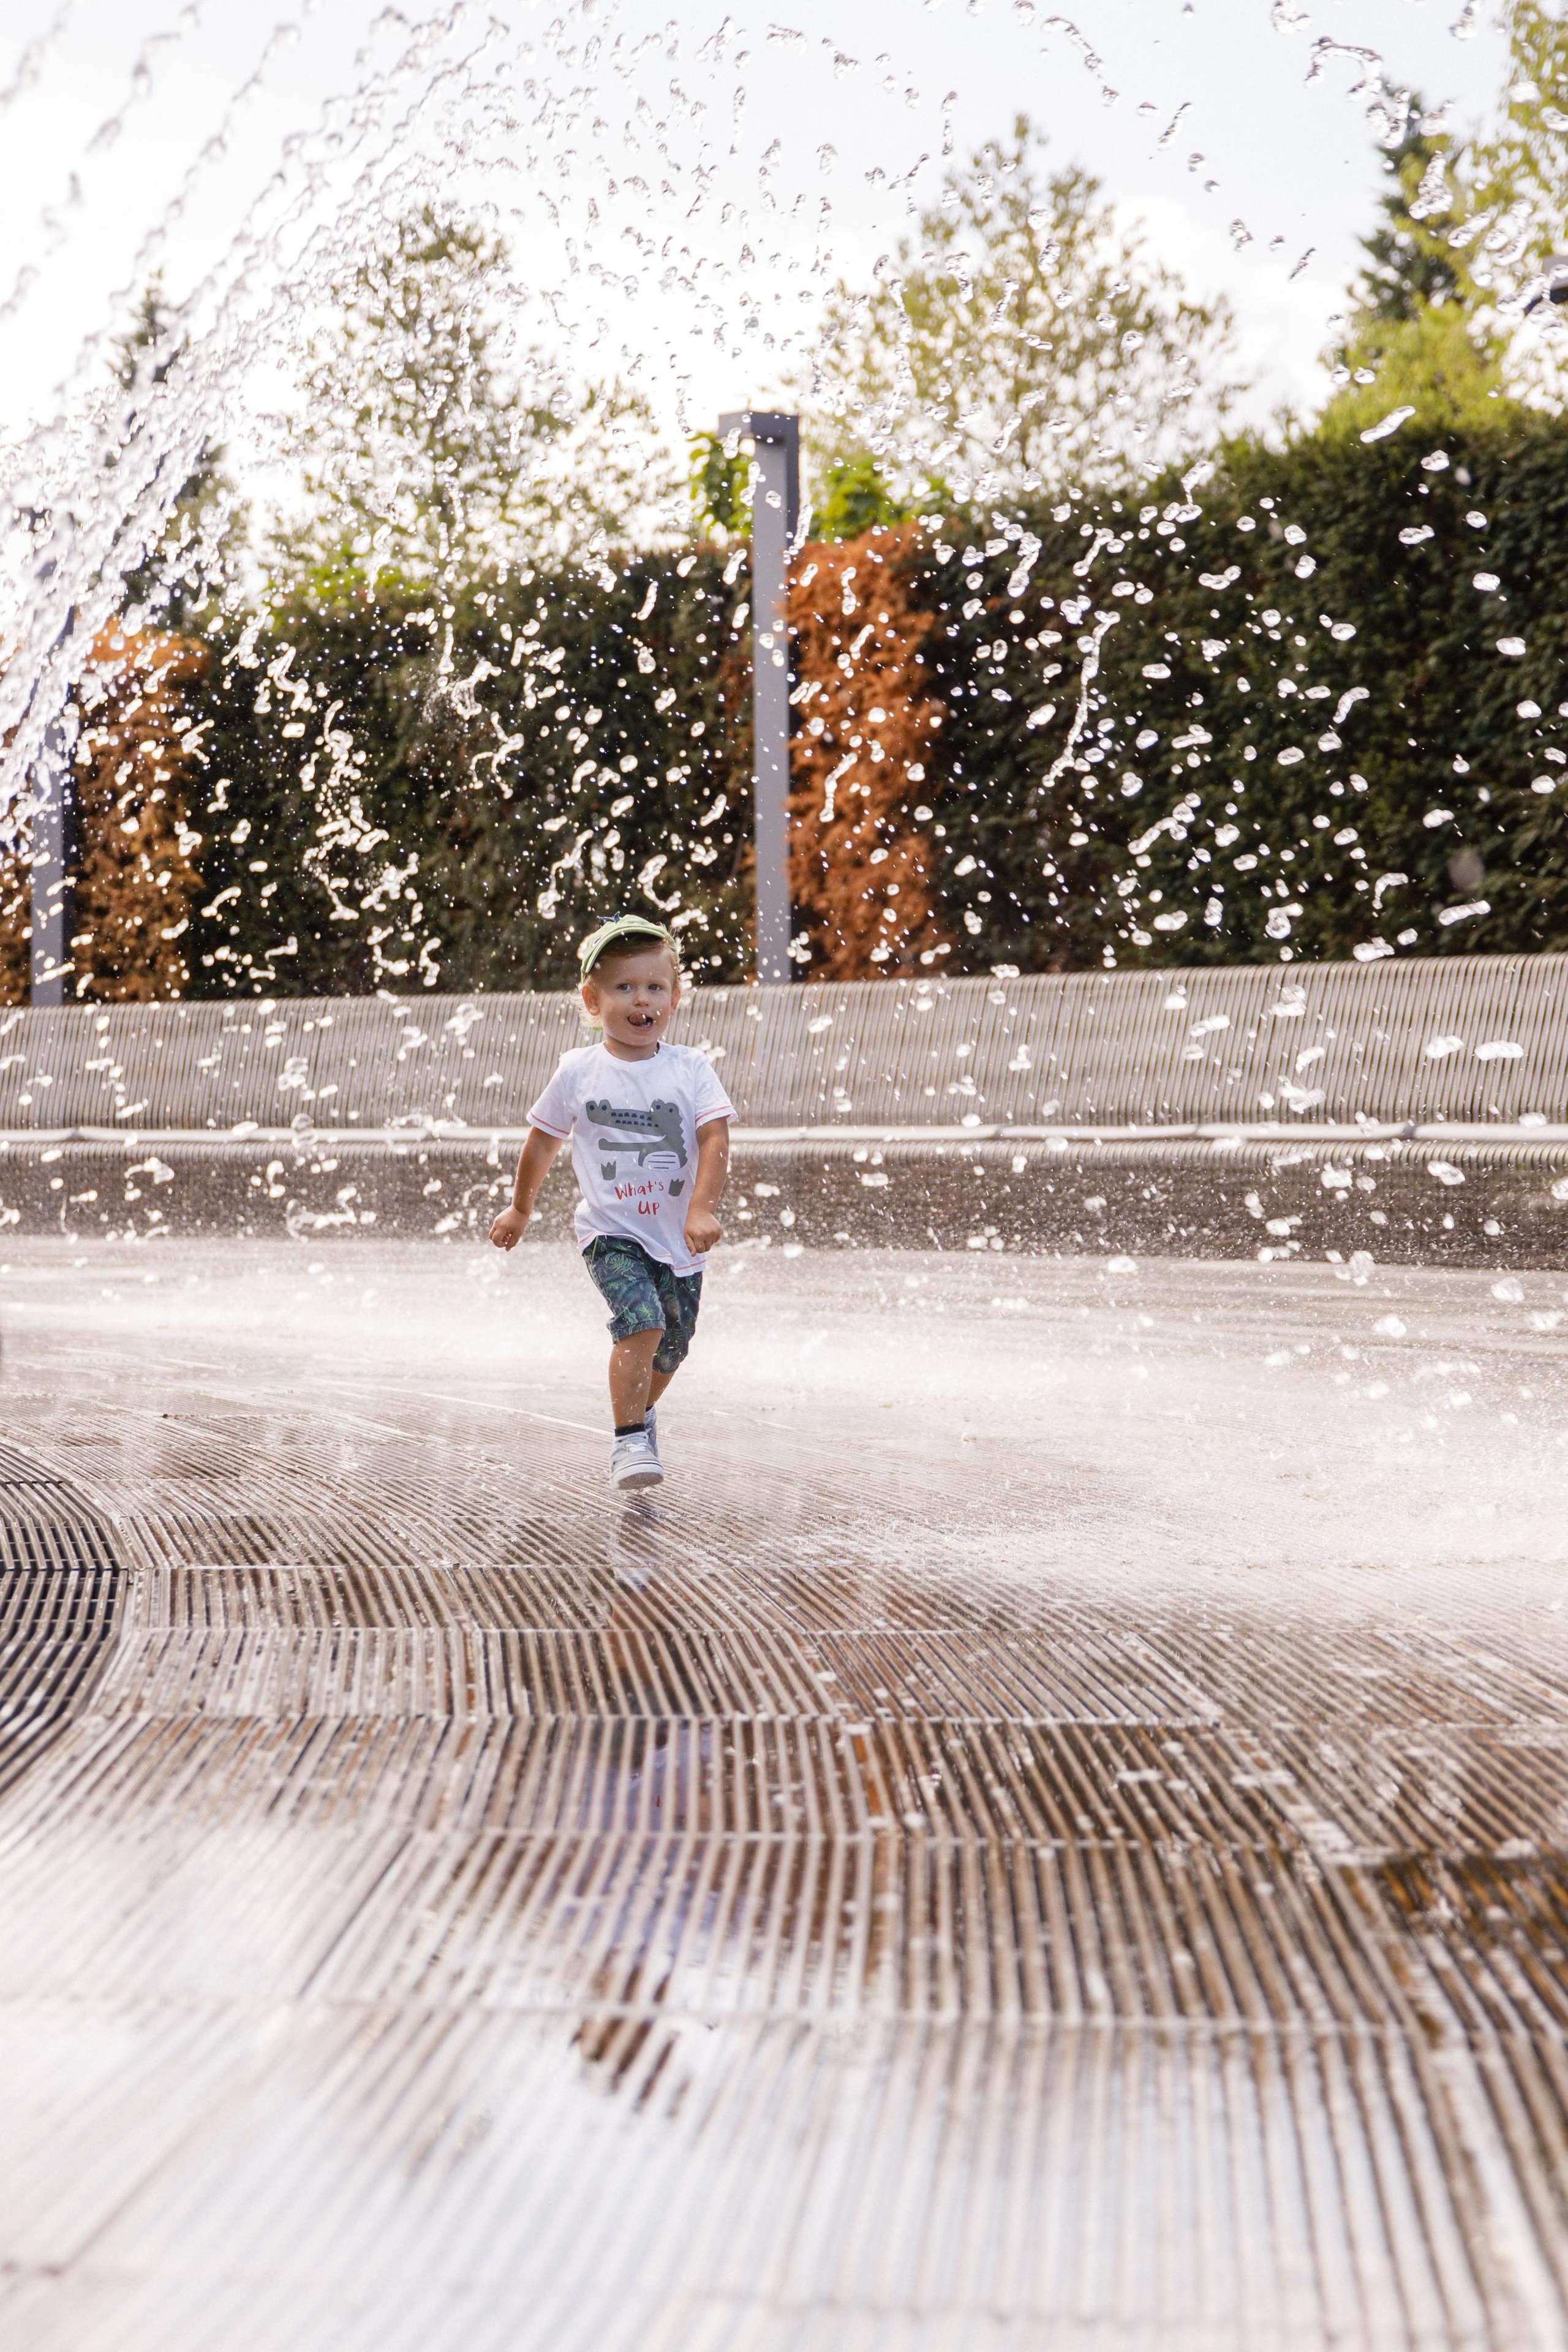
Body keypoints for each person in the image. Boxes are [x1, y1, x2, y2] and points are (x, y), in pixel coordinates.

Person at [489, 915, 734, 1492]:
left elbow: (715, 1138)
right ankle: (628, 1441)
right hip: (609, 1231)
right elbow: (543, 1140)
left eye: (654, 987)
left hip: (678, 1237)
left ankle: (642, 1415)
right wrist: (521, 1208)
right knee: (640, 1321)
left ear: (674, 998)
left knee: (673, 1348)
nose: (641, 999)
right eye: (624, 987)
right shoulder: (578, 1071)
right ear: (592, 1000)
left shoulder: (690, 1068)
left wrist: (701, 1208)